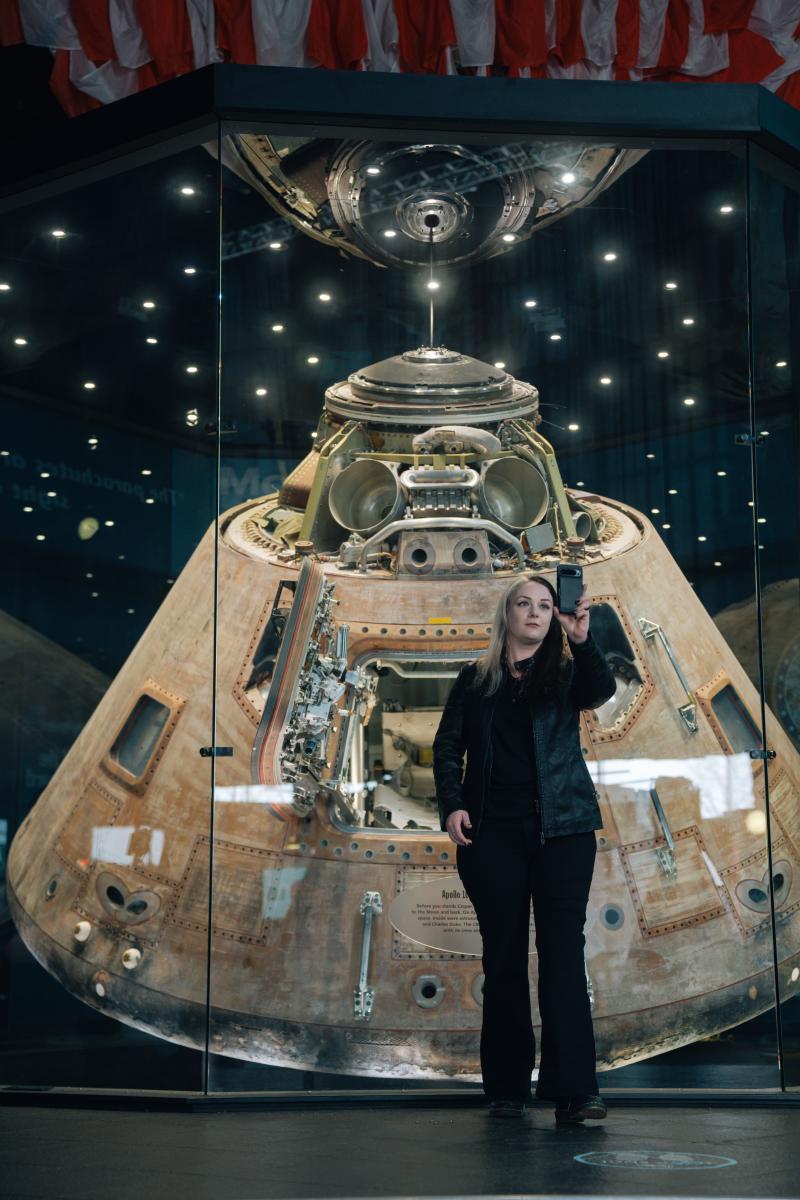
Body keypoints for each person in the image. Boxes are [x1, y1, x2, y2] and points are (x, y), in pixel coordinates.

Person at [433, 573, 616, 1122]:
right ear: (506, 615)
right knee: (504, 957)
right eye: (524, 604)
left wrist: (581, 637)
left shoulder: (564, 675)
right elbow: (447, 746)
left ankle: (575, 1091)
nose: (536, 613)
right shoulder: (474, 681)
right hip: (493, 836)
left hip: (563, 831)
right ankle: (506, 1086)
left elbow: (600, 690)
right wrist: (451, 804)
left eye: (545, 605)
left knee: (563, 955)